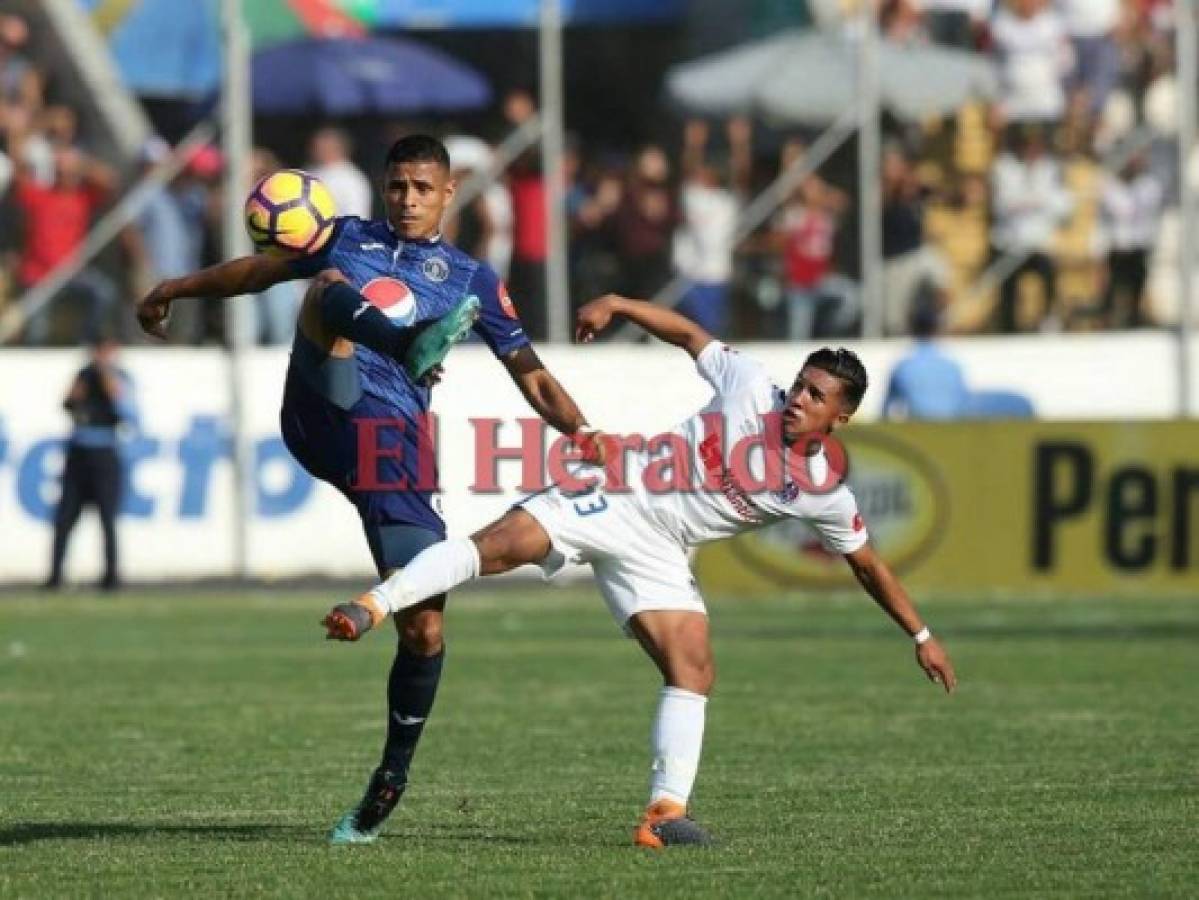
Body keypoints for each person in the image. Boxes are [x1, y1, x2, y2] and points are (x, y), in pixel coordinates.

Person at [322, 294, 958, 848]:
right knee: (502, 543)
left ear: (839, 418)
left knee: (694, 667)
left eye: (815, 396)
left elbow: (869, 566)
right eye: (800, 384)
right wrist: (620, 304)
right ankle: (374, 604)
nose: (797, 398)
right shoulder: (749, 384)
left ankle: (663, 815)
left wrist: (922, 637)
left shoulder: (823, 492)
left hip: (661, 549)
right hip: (620, 486)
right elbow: (687, 334)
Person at [135, 134, 602, 846]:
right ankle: (407, 341)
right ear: (383, 190)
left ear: (449, 193)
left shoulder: (473, 279)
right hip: (324, 407)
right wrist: (172, 287)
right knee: (325, 291)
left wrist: (581, 430)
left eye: (421, 188)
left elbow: (530, 372)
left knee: (424, 625)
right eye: (396, 187)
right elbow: (257, 274)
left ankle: (390, 778)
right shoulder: (342, 240)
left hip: (392, 450)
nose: (407, 199)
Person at [45, 338, 137, 591]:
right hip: (79, 454)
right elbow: (68, 403)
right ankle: (55, 576)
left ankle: (111, 578)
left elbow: (127, 411)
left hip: (105, 453)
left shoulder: (120, 377)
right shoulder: (83, 376)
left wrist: (107, 375)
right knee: (65, 518)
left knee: (107, 519)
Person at [882, 302, 969, 419]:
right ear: (937, 329)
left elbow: (885, 412)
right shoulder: (953, 368)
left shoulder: (903, 367)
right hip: (952, 431)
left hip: (917, 431)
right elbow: (965, 408)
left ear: (912, 329)